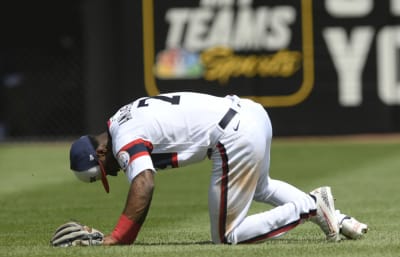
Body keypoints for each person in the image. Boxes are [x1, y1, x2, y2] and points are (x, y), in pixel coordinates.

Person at [69, 92, 367, 245]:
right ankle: (339, 219)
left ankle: (311, 205)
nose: (112, 174)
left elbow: (144, 183)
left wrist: (119, 238)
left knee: (227, 236)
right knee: (262, 187)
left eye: (104, 171)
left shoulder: (122, 138)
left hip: (232, 135)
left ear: (101, 151)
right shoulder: (121, 117)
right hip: (250, 112)